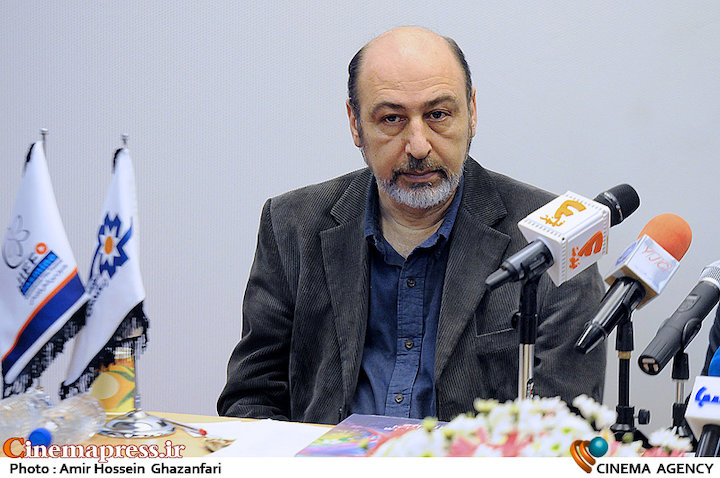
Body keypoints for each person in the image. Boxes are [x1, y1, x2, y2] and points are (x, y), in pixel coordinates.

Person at [217, 26, 606, 424]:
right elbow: (251, 400)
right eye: (392, 119)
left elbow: (568, 423)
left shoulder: (555, 237)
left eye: (438, 115)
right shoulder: (292, 225)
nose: (418, 146)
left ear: (472, 112)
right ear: (355, 124)